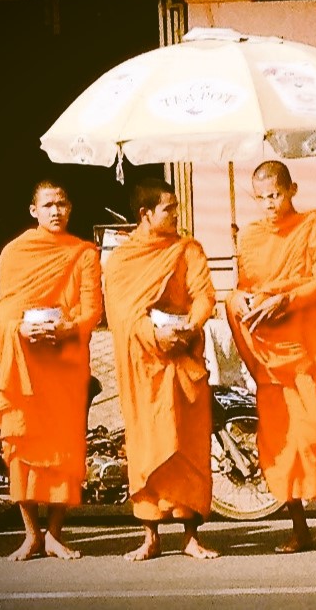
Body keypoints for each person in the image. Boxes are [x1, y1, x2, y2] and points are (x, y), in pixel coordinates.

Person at [225, 160, 316, 554]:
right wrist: (239, 298)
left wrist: (287, 299)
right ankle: (298, 528)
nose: (269, 204)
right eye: (261, 198)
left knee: (315, 434)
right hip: (269, 351)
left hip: (306, 348)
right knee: (282, 443)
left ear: (292, 189)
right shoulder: (248, 237)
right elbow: (243, 288)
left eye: (276, 195)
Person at [103, 177, 218, 561]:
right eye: (168, 208)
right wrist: (155, 337)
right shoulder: (121, 260)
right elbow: (120, 314)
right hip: (144, 364)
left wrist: (191, 325)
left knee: (188, 446)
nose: (175, 214)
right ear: (145, 214)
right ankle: (150, 535)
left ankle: (191, 536)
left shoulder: (187, 249)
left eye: (175, 207)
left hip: (183, 356)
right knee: (147, 446)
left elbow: (204, 295)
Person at [0, 180, 102, 561]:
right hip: (25, 365)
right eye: (49, 204)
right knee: (22, 445)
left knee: (65, 448)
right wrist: (19, 327)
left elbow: (92, 311)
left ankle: (55, 533)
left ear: (70, 208)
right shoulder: (14, 252)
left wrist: (67, 328)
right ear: (33, 210)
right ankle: (31, 534)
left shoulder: (84, 253)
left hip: (64, 363)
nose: (56, 211)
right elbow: (3, 309)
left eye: (62, 203)